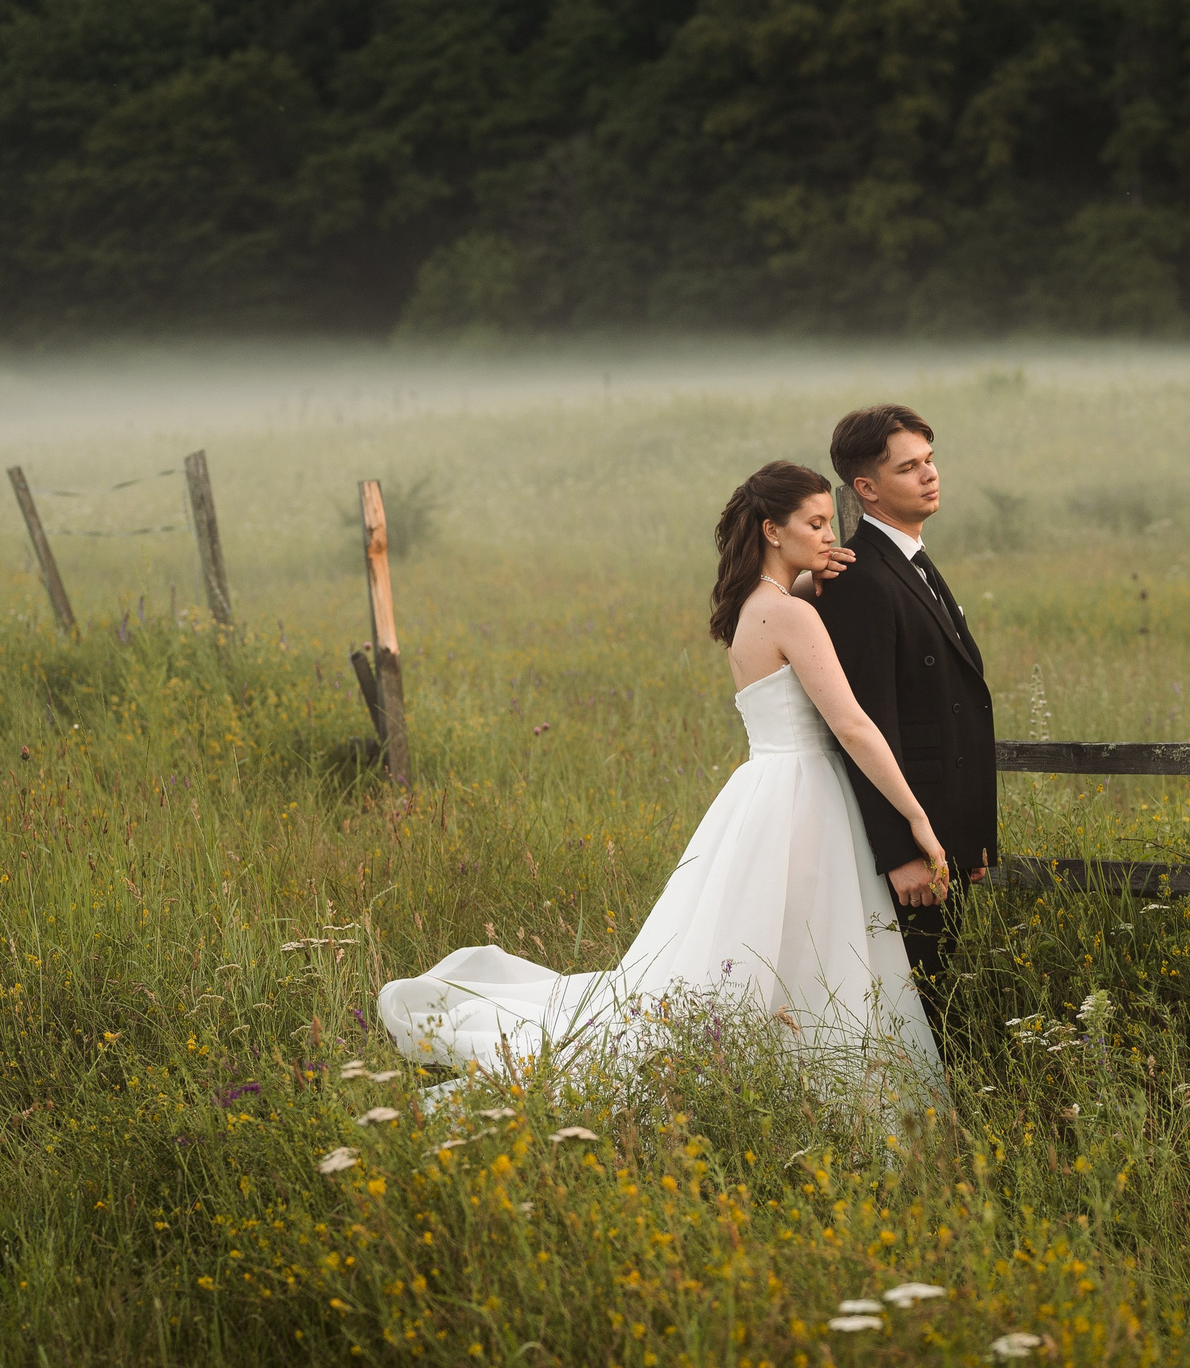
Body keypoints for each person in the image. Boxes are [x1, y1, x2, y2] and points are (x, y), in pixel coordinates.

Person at [375, 461, 947, 1087]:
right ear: (772, 532)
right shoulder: (792, 614)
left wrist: (810, 580)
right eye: (814, 524)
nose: (829, 538)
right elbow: (854, 726)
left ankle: (771, 1071)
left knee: (763, 944)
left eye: (829, 525)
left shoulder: (755, 607)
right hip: (805, 794)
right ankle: (808, 1076)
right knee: (812, 944)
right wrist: (915, 816)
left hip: (765, 790)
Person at [814, 405, 998, 1045]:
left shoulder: (914, 559)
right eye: (908, 466)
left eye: (929, 459)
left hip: (948, 833)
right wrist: (901, 852)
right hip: (910, 847)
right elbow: (866, 725)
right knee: (919, 1008)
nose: (929, 475)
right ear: (865, 488)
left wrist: (970, 838)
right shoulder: (859, 577)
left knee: (945, 997)